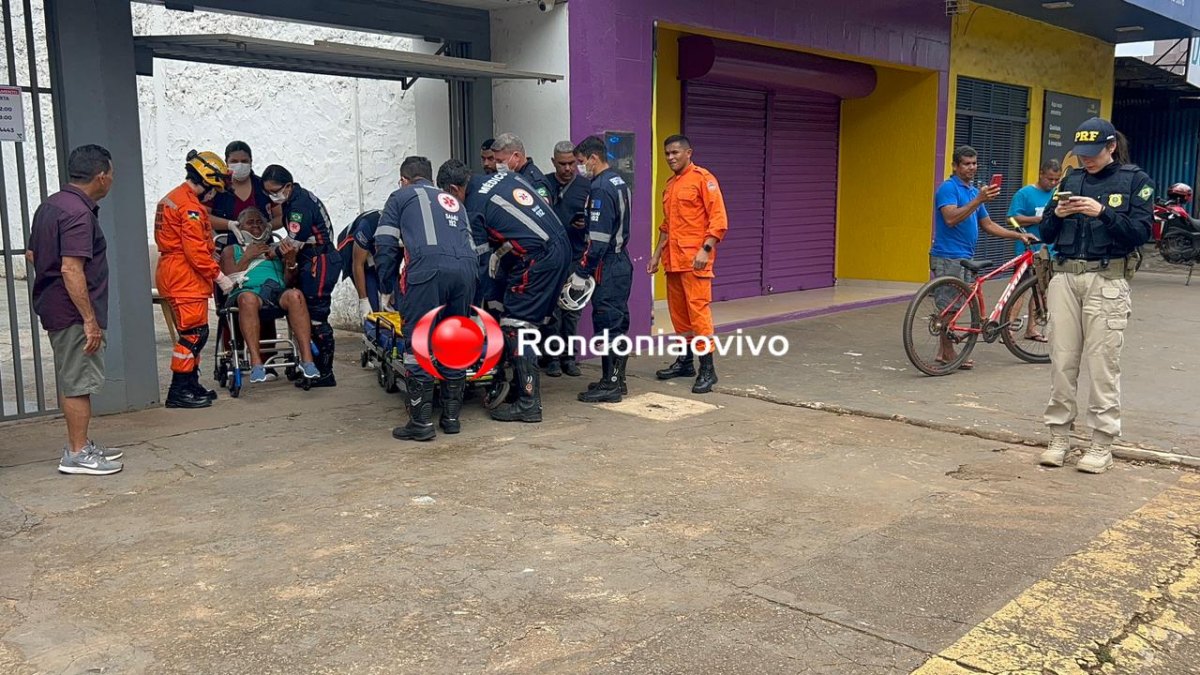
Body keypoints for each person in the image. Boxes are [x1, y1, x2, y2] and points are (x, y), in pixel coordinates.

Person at [1037, 118, 1153, 474]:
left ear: (1111, 147)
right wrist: (1057, 213)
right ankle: (1059, 436)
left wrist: (1102, 212)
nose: (1086, 160)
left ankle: (1101, 444)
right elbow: (1046, 232)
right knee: (1061, 361)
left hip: (1107, 279)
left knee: (1103, 365)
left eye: (1093, 153)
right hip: (1065, 278)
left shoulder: (1136, 181)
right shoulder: (1071, 180)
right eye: (1082, 154)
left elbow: (1140, 234)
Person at [450, 160, 570, 423]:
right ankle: (520, 384)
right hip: (560, 247)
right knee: (526, 321)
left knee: (517, 325)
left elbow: (479, 266)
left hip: (538, 259)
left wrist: (476, 310)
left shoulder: (473, 208)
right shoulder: (505, 178)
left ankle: (529, 402)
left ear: (454, 189)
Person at [28, 144, 124, 474]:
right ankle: (77, 453)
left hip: (55, 306)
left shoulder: (52, 205)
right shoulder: (78, 214)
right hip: (72, 313)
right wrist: (89, 320)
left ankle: (81, 443)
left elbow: (32, 254)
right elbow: (71, 268)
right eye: (111, 174)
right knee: (78, 382)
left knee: (75, 377)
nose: (112, 180)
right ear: (101, 176)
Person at [371, 157, 478, 441]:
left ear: (404, 179)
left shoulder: (400, 197)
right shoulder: (452, 200)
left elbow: (384, 243)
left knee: (418, 343)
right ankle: (451, 418)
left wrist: (385, 285)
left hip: (427, 271)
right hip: (467, 271)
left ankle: (421, 423)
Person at [928, 145, 1034, 370]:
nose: (971, 168)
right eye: (966, 164)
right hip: (948, 256)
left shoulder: (972, 191)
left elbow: (987, 224)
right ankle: (948, 353)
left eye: (974, 163)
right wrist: (978, 200)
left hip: (965, 256)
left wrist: (1017, 235)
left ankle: (943, 351)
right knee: (949, 308)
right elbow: (950, 218)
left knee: (957, 305)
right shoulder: (948, 188)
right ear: (955, 166)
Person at [155, 149, 237, 409]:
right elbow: (195, 252)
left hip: (178, 273)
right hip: (184, 276)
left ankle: (190, 383)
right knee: (193, 334)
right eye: (215, 186)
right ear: (206, 179)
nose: (215, 193)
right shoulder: (189, 207)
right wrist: (220, 277)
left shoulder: (176, 198)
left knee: (195, 332)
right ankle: (179, 390)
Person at [648, 134, 729, 394]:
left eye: (675, 153)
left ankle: (708, 369)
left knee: (699, 315)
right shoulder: (671, 185)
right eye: (667, 154)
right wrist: (656, 254)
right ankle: (685, 362)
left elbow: (718, 219)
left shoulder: (703, 179)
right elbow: (666, 225)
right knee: (680, 316)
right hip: (674, 260)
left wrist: (706, 249)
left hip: (695, 261)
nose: (671, 157)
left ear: (688, 152)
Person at [219, 207, 321, 384]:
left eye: (260, 222)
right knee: (248, 299)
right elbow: (228, 282)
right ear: (240, 227)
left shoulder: (276, 249)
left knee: (295, 295)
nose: (256, 226)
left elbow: (289, 282)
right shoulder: (231, 250)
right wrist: (247, 257)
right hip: (246, 292)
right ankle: (257, 363)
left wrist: (290, 262)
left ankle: (307, 360)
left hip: (276, 292)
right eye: (250, 223)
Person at [261, 165, 341, 387]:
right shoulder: (293, 199)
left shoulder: (299, 204)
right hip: (310, 258)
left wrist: (275, 250)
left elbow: (295, 240)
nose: (272, 195)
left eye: (275, 191)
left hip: (319, 260)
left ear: (288, 186)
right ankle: (310, 366)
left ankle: (324, 372)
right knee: (303, 314)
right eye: (268, 192)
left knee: (316, 315)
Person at [571, 135, 634, 403]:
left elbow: (597, 242)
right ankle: (617, 380)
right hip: (621, 260)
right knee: (618, 323)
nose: (580, 168)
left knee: (608, 323)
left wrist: (582, 272)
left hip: (607, 264)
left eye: (581, 162)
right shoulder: (619, 181)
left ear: (594, 158)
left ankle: (610, 384)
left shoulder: (600, 188)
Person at [544, 140, 591, 378]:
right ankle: (552, 358)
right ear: (554, 162)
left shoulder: (586, 186)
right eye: (562, 164)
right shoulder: (544, 183)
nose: (567, 168)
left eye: (571, 163)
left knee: (572, 310)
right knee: (553, 311)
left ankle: (569, 357)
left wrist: (585, 225)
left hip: (576, 256)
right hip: (551, 258)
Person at [209, 141, 273, 232]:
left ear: (251, 161)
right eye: (234, 161)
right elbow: (203, 216)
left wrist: (267, 227)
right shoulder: (216, 186)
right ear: (226, 162)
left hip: (261, 241)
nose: (240, 165)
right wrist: (229, 225)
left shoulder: (263, 185)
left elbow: (280, 215)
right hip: (224, 241)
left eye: (244, 161)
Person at [334, 210, 383, 317]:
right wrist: (363, 300)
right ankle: (371, 330)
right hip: (350, 248)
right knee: (371, 303)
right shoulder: (367, 228)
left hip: (373, 249)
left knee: (396, 300)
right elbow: (358, 265)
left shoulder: (402, 231)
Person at [1009, 159, 1061, 256]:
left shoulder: (1057, 194)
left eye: (1057, 180)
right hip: (1028, 251)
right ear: (1041, 174)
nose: (1053, 183)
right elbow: (1010, 219)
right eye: (1050, 179)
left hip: (1052, 252)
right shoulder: (1024, 194)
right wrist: (1038, 219)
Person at [491, 132, 556, 206]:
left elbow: (543, 212)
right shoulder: (511, 176)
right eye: (496, 161)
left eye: (500, 161)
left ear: (516, 156)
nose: (497, 165)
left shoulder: (535, 182)